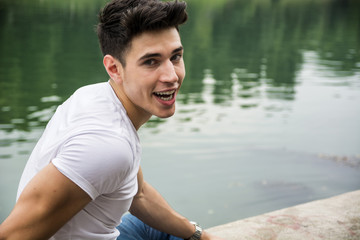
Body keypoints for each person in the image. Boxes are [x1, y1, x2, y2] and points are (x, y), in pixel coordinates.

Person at [0, 0, 224, 239]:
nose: (171, 76)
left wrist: (199, 235)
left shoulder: (96, 96)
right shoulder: (107, 147)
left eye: (176, 57)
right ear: (115, 69)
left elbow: (138, 194)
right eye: (151, 61)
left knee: (172, 231)